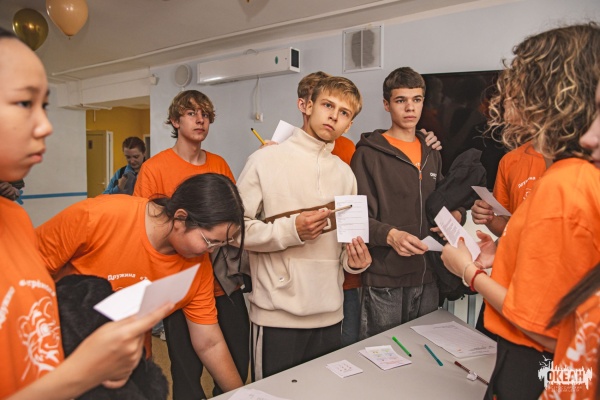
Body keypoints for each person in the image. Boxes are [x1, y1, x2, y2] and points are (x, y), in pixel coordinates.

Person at [0, 26, 172, 399]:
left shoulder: (13, 219)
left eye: (45, 105)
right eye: (24, 103)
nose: (45, 125)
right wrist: (81, 373)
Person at [440, 23, 600, 399]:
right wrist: (505, 250)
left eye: (522, 81)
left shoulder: (565, 184)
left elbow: (544, 328)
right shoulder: (571, 175)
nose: (509, 94)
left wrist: (468, 272)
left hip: (534, 365)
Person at [36, 173, 245, 396]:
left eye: (220, 244)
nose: (211, 251)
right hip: (55, 357)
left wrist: (242, 395)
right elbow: (24, 276)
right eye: (210, 241)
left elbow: (209, 342)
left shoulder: (197, 265)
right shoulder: (98, 216)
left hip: (125, 368)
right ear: (181, 218)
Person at [236, 76, 372, 379]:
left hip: (330, 316)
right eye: (327, 105)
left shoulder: (346, 174)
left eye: (344, 112)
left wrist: (354, 262)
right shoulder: (264, 160)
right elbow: (232, 230)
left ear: (349, 125)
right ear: (308, 106)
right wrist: (291, 231)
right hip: (276, 317)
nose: (334, 116)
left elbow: (345, 248)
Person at [133, 90, 249, 399]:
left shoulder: (219, 164)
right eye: (191, 113)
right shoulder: (154, 168)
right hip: (179, 285)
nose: (200, 120)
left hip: (223, 282)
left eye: (205, 115)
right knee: (186, 373)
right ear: (174, 120)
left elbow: (232, 219)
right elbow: (145, 229)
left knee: (237, 361)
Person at [350, 67, 463, 340]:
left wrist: (458, 214)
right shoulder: (367, 155)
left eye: (417, 99)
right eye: (401, 100)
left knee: (424, 354)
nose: (410, 107)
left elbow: (443, 202)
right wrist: (390, 235)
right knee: (382, 355)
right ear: (386, 104)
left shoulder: (432, 152)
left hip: (429, 276)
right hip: (385, 280)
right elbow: (356, 219)